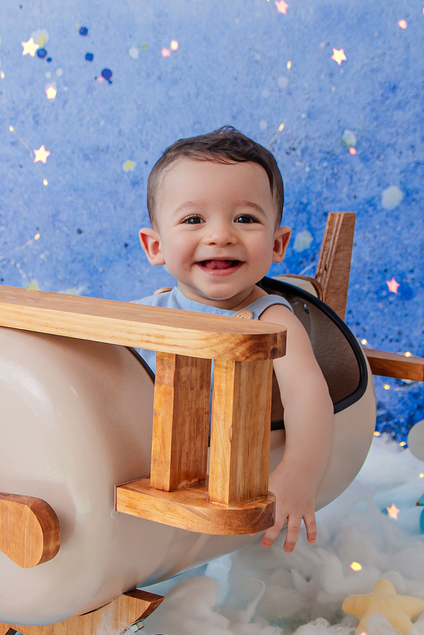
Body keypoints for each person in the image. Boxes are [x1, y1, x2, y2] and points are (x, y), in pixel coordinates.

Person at [134, 127, 334, 553]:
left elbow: (307, 394)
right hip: (155, 464)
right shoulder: (147, 311)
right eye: (194, 220)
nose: (220, 235)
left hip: (227, 462)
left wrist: (300, 470)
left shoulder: (270, 318)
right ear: (155, 246)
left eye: (245, 218)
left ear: (277, 243)